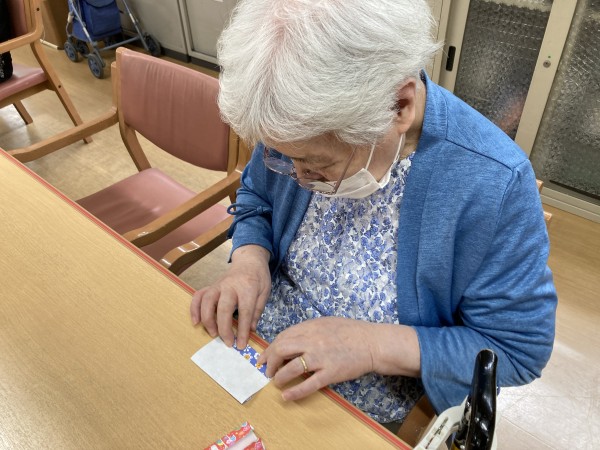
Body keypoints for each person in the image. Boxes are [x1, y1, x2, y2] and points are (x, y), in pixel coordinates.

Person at [190, 0, 557, 430]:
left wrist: (371, 345)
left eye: (317, 165)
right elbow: (257, 195)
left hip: (369, 410)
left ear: (399, 105)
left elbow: (516, 350)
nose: (298, 178)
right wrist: (249, 260)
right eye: (283, 157)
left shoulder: (493, 182)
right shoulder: (296, 129)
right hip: (259, 349)